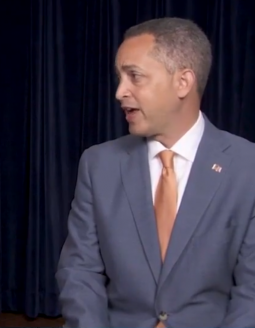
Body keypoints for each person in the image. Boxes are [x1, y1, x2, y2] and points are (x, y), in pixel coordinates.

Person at [56, 17, 255, 327]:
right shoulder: (99, 165)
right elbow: (80, 272)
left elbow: (252, 294)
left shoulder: (247, 168)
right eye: (119, 78)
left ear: (183, 82)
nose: (120, 92)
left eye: (134, 76)